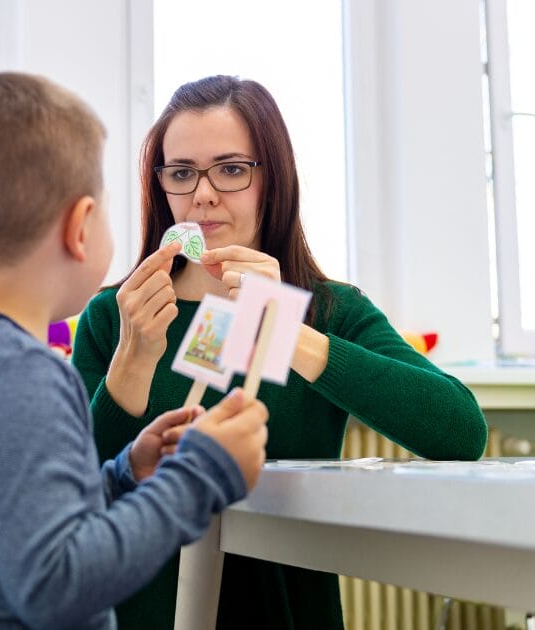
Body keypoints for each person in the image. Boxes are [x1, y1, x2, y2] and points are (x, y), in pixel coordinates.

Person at [72, 75, 489, 630]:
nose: (203, 194)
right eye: (181, 173)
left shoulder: (333, 311)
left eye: (231, 169)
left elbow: (460, 431)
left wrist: (293, 333)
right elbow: (72, 503)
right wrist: (132, 361)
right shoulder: (115, 314)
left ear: (275, 179)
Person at [0, 72, 270, 629]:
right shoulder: (24, 373)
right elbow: (56, 582)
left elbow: (19, 524)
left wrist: (122, 474)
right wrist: (201, 472)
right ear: (80, 227)